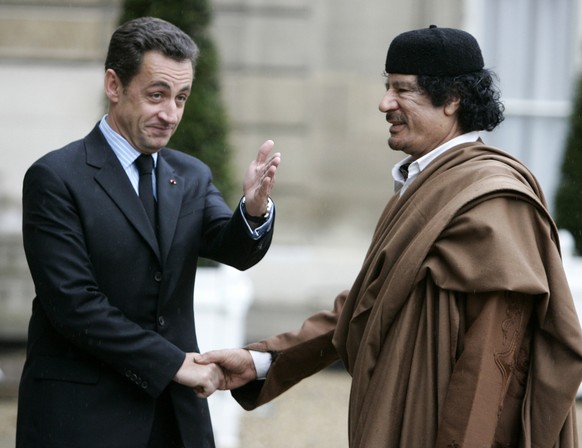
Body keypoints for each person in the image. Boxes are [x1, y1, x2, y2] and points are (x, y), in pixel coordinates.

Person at [199, 25, 582, 447]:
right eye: (386, 87)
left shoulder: (493, 203)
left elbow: (490, 369)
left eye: (402, 89)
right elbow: (370, 303)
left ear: (452, 99)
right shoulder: (427, 183)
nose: (385, 103)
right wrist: (262, 362)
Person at [16, 16, 280, 448]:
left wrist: (253, 208)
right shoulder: (55, 178)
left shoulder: (190, 174)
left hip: (176, 417)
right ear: (114, 85)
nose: (170, 114)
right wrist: (174, 362)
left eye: (181, 98)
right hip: (80, 416)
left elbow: (233, 248)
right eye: (157, 95)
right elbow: (73, 305)